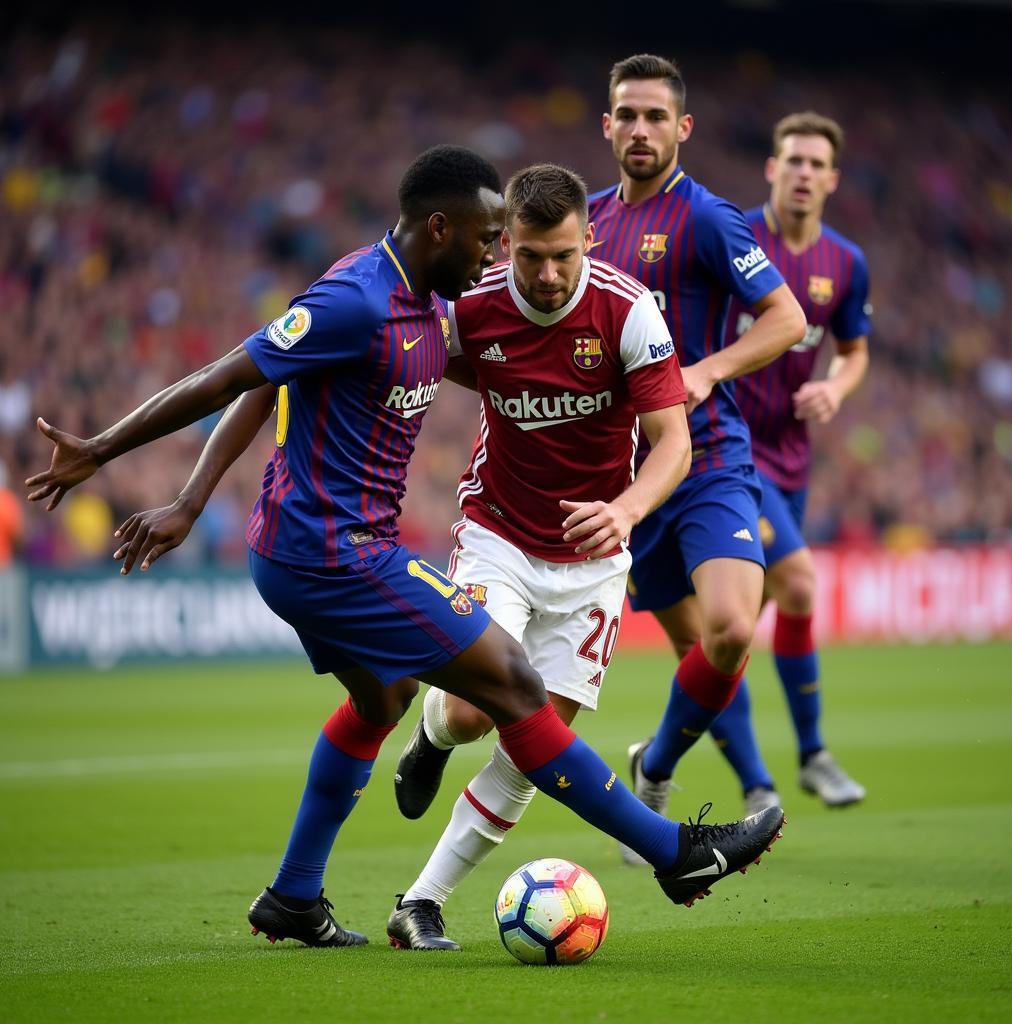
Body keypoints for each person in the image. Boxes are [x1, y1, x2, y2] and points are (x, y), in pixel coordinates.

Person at [28, 145, 784, 947]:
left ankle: (293, 897)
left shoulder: (436, 304)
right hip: (336, 555)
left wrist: (188, 500)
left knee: (379, 701)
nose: (499, 259)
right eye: (493, 240)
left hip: (323, 550)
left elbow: (278, 377)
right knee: (513, 685)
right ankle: (675, 854)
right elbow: (238, 374)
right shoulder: (360, 298)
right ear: (441, 227)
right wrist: (120, 460)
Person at [385, 162, 693, 950]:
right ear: (504, 247)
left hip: (595, 560)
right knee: (470, 710)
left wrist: (625, 509)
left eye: (564, 255)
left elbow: (674, 443)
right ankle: (431, 734)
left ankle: (419, 902)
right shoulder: (472, 313)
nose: (550, 274)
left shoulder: (629, 312)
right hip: (500, 537)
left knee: (533, 752)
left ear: (589, 238)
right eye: (531, 257)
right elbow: (408, 363)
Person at [585, 55, 807, 864]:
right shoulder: (586, 223)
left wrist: (708, 370)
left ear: (682, 128)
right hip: (627, 478)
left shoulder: (707, 218)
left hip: (708, 458)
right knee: (695, 651)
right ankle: (677, 769)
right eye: (626, 115)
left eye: (655, 117)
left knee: (729, 630)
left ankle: (655, 766)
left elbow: (783, 318)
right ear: (607, 126)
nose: (640, 130)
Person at [708, 112, 870, 813]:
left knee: (730, 632)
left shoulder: (846, 263)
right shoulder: (733, 239)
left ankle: (662, 752)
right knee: (800, 585)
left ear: (832, 179)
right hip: (730, 454)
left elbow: (856, 348)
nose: (803, 172)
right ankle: (812, 755)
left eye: (816, 163)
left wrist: (835, 384)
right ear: (772, 168)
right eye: (792, 160)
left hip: (793, 462)